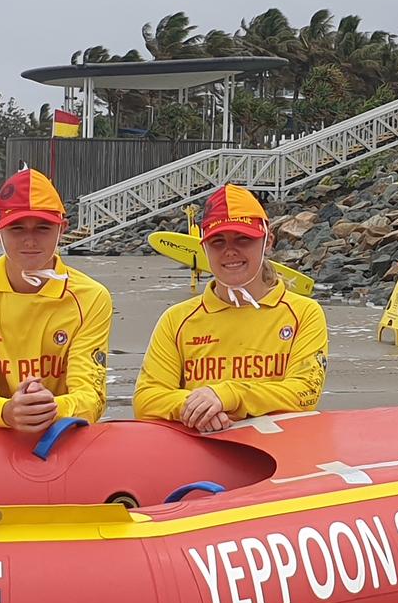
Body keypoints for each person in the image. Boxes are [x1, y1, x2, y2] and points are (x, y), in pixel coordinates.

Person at [134, 184, 328, 432]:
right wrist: (197, 407)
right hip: (203, 452)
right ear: (203, 248)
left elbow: (305, 392)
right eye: (217, 241)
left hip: (281, 452)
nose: (230, 251)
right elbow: (146, 399)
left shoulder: (303, 313)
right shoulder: (177, 319)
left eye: (243, 239)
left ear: (268, 241)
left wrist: (228, 396)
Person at [0, 168, 112, 432]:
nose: (30, 240)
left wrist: (47, 407)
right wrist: (6, 411)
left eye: (43, 228)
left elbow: (91, 395)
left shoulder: (91, 297)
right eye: (16, 228)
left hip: (61, 431)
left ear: (62, 230)